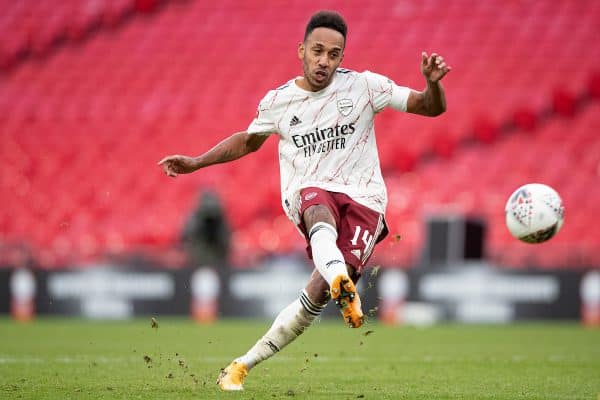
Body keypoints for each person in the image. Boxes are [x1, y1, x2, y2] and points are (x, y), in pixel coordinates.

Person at [158, 10, 450, 391]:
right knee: (315, 205)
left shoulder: (364, 86)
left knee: (313, 296)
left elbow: (431, 107)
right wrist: (197, 162)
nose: (324, 61)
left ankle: (242, 364)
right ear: (302, 51)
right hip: (310, 192)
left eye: (333, 54)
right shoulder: (279, 101)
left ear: (342, 57)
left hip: (366, 201)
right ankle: (342, 281)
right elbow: (247, 141)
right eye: (317, 51)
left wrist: (433, 85)